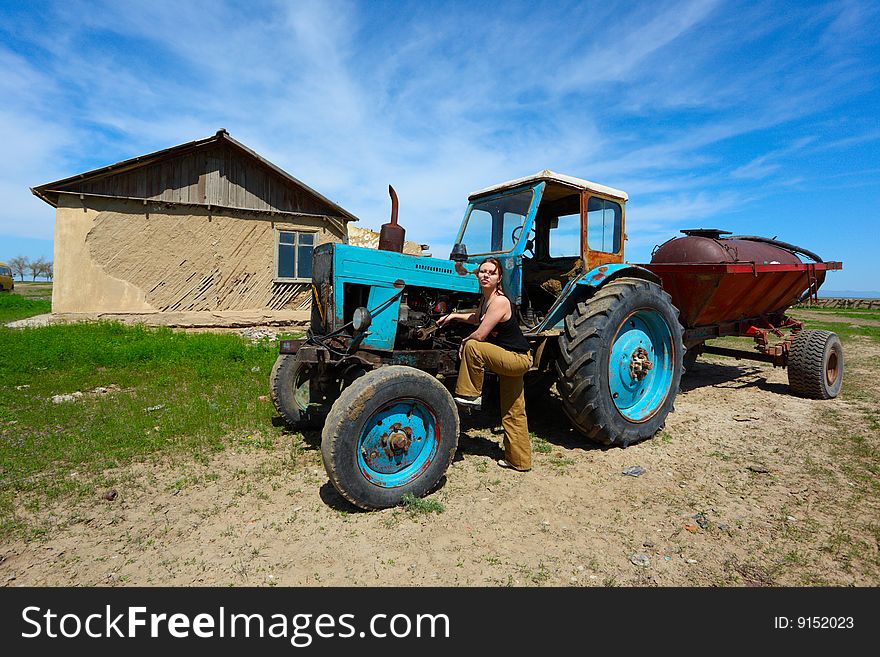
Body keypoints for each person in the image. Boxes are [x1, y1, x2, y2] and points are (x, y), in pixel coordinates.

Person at [437, 257, 534, 471]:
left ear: (499, 278)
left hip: (518, 358)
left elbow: (480, 334)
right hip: (510, 356)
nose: (485, 275)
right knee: (513, 409)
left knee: (473, 346)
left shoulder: (500, 301)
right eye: (482, 271)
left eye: (491, 272)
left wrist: (464, 343)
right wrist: (453, 316)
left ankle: (468, 396)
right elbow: (477, 318)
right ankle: (519, 460)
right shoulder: (486, 300)